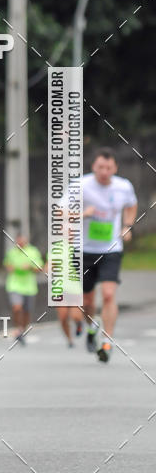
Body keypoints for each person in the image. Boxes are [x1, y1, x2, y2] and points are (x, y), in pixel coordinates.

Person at [81, 148, 137, 362]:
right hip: (84, 249)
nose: (104, 171)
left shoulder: (123, 186)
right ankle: (92, 326)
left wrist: (127, 225)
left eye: (109, 168)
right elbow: (61, 211)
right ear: (93, 167)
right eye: (100, 167)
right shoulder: (81, 186)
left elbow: (132, 205)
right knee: (87, 299)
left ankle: (107, 340)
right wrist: (81, 214)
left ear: (115, 168)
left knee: (108, 294)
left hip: (111, 249)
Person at [44, 231, 83, 348]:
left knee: (75, 316)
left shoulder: (80, 248)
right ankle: (70, 340)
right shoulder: (57, 247)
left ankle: (79, 324)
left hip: (76, 287)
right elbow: (48, 265)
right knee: (63, 317)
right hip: (60, 287)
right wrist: (48, 268)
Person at [3, 235, 44, 345]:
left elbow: (39, 267)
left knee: (27, 311)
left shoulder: (33, 251)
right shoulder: (11, 253)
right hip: (14, 284)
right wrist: (10, 268)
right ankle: (18, 329)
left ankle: (23, 330)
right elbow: (7, 264)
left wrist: (30, 267)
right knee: (17, 307)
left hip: (29, 286)